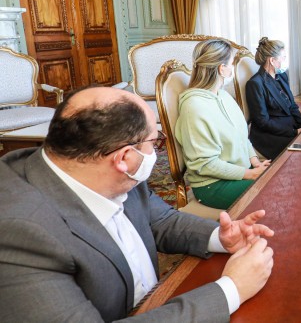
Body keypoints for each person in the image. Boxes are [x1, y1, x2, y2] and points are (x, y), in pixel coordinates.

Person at [0, 86, 275, 321]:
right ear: (125, 158)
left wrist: (220, 237)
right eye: (153, 143)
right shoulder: (20, 234)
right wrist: (231, 290)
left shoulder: (102, 169)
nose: (155, 151)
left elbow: (161, 220)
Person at [175, 39, 270, 210]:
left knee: (281, 180)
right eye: (231, 63)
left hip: (239, 172)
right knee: (276, 192)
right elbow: (205, 164)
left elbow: (242, 136)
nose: (232, 68)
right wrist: (250, 174)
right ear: (221, 68)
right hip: (213, 185)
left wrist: (255, 163)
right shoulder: (194, 107)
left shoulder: (223, 96)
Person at [247, 37, 301, 160]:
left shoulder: (282, 76)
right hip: (271, 135)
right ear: (272, 60)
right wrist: (294, 132)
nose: (285, 61)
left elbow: (292, 106)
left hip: (288, 126)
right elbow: (263, 122)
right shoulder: (255, 84)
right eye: (283, 57)